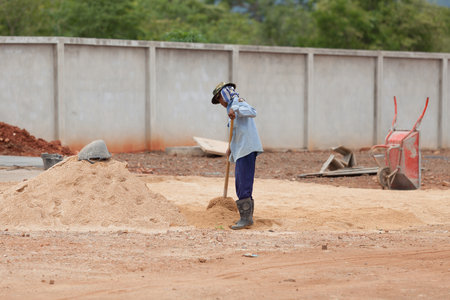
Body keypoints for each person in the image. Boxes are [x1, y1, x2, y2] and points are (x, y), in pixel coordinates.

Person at [211, 82, 263, 230]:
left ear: (224, 95)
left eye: (219, 99)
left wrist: (235, 109)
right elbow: (237, 132)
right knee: (241, 182)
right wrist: (230, 147)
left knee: (243, 183)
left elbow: (253, 111)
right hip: (240, 149)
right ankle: (247, 217)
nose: (220, 103)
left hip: (247, 148)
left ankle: (245, 219)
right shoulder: (230, 110)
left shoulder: (239, 103)